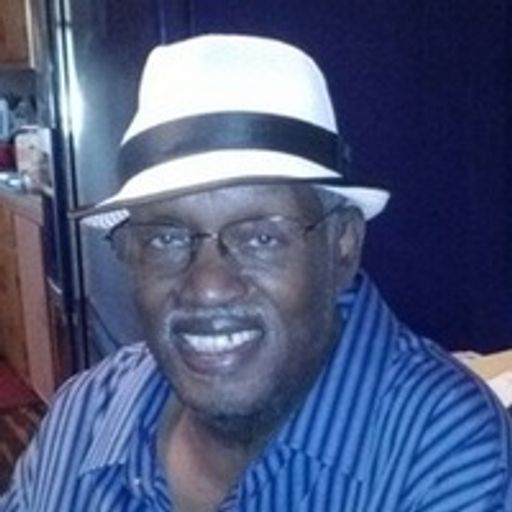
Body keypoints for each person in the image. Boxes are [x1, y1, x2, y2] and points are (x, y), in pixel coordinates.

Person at [2, 34, 511, 512]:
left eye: (261, 237)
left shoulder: (441, 450)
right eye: (166, 237)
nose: (207, 287)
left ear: (342, 247)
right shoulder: (81, 415)